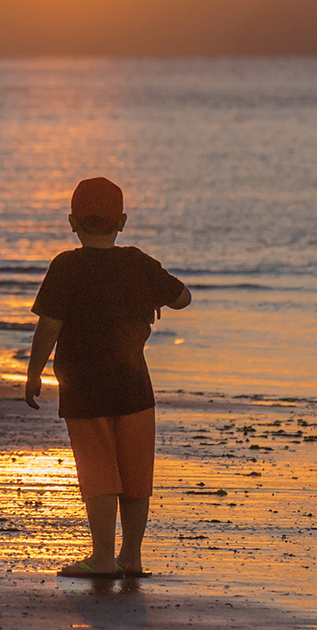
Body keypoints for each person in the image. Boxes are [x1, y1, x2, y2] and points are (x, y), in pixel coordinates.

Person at [25, 177, 192, 578]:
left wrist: (33, 372)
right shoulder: (138, 263)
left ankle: (102, 556)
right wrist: (154, 297)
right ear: (123, 222)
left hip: (83, 387)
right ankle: (130, 556)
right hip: (134, 384)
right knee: (136, 474)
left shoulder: (65, 266)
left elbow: (49, 324)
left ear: (72, 222)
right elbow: (183, 297)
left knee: (97, 471)